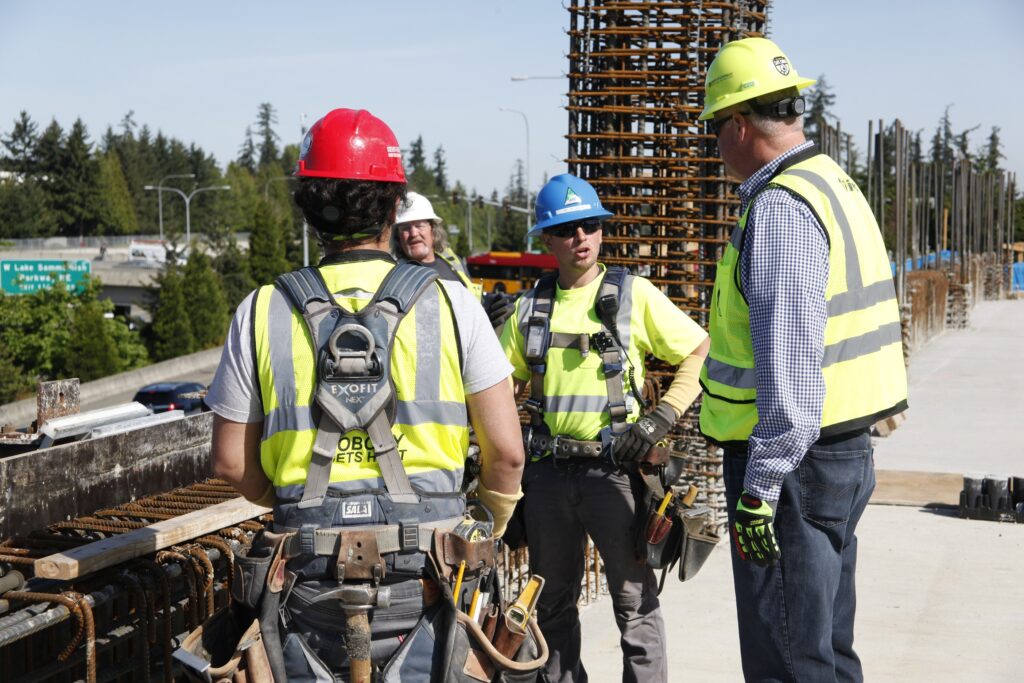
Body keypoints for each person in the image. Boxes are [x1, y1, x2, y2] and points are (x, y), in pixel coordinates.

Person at [206, 108, 525, 679]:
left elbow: (231, 462)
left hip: (306, 583)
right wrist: (488, 524)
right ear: (395, 205)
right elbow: (506, 454)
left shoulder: (261, 310)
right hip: (430, 577)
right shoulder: (452, 302)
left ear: (309, 208)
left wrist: (299, 505)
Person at [698, 38, 908, 682]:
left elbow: (789, 360)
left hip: (794, 467)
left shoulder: (781, 208)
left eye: (714, 130)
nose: (714, 147)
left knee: (788, 661)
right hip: (840, 452)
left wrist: (761, 486)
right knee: (827, 653)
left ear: (739, 124)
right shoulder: (831, 182)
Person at [499, 173, 710, 683]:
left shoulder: (632, 295)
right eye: (567, 229)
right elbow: (498, 390)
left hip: (616, 472)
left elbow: (699, 350)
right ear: (547, 240)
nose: (581, 237)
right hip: (548, 476)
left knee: (634, 604)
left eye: (590, 225)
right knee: (550, 603)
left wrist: (661, 418)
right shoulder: (529, 309)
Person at [393, 191, 515, 330]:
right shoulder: (398, 276)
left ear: (433, 229)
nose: (413, 233)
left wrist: (487, 309)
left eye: (419, 225)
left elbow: (469, 302)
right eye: (405, 228)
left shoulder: (452, 260)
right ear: (398, 237)